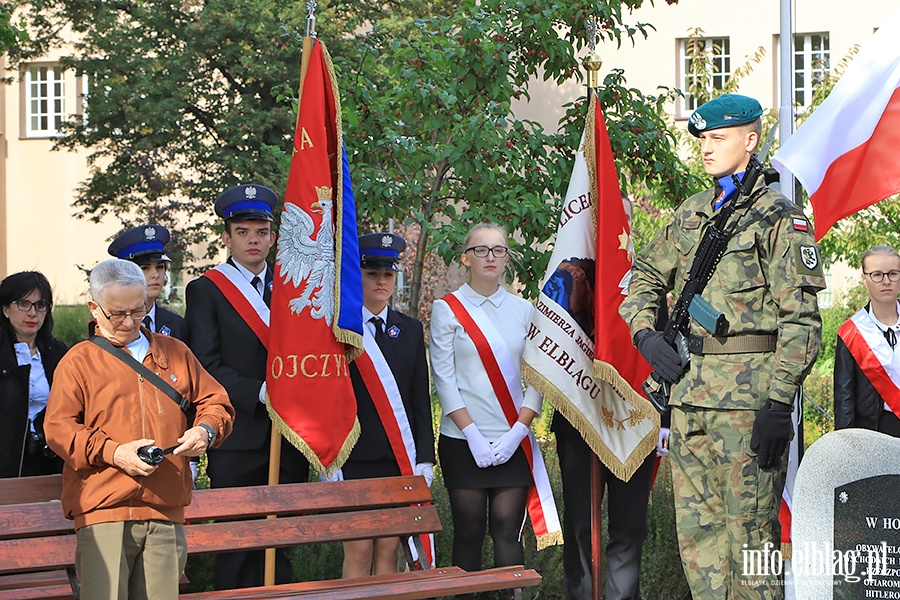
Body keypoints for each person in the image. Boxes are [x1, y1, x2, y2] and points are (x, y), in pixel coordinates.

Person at [619, 94, 825, 598]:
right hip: (689, 400)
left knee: (751, 541)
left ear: (750, 141)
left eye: (718, 138)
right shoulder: (691, 214)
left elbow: (801, 319)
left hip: (749, 408)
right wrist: (645, 332)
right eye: (703, 140)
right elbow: (643, 275)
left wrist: (779, 403)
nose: (706, 149)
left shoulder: (779, 216)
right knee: (699, 541)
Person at [44, 258, 233, 600]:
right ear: (94, 307)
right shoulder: (78, 361)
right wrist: (114, 452)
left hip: (165, 507)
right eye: (118, 313)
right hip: (103, 509)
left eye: (139, 309)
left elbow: (215, 402)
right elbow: (58, 428)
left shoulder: (175, 352)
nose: (130, 322)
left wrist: (206, 430)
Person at [184, 183, 310, 589]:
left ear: (273, 237)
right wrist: (261, 392)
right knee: (237, 545)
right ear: (227, 237)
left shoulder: (295, 287)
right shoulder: (206, 290)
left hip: (289, 433)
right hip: (238, 436)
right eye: (243, 232)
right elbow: (207, 363)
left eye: (260, 232)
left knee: (280, 545)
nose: (253, 240)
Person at [551, 194, 666, 600]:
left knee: (629, 524)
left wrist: (663, 417)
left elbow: (663, 351)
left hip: (632, 418)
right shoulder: (564, 278)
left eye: (621, 219)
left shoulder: (648, 280)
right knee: (580, 524)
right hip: (579, 417)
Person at [431, 223, 555, 593]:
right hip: (462, 440)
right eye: (481, 250)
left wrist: (518, 431)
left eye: (498, 250)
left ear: (506, 259)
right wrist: (472, 435)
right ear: (466, 258)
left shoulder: (524, 310)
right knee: (468, 533)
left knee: (507, 533)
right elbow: (444, 378)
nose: (490, 257)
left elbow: (537, 378)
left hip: (511, 440)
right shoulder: (447, 309)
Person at [332, 232, 434, 578]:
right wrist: (328, 457)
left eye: (388, 274)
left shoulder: (409, 330)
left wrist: (425, 458)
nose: (381, 281)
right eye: (372, 273)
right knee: (359, 550)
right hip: (353, 458)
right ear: (357, 275)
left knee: (390, 551)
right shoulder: (339, 331)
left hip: (397, 457)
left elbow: (420, 399)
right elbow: (328, 399)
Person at [0, 271, 67, 478]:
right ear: (5, 310)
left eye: (40, 305)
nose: (32, 313)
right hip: (7, 463)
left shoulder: (58, 353)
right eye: (23, 304)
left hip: (50, 460)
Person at [835, 245, 900, 436]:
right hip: (873, 432)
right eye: (877, 274)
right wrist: (845, 443)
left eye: (893, 273)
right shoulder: (851, 333)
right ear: (864, 278)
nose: (886, 281)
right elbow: (844, 399)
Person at [106, 224, 188, 339]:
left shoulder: (177, 324)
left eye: (160, 267)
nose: (155, 275)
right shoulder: (111, 325)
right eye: (144, 268)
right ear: (126, 274)